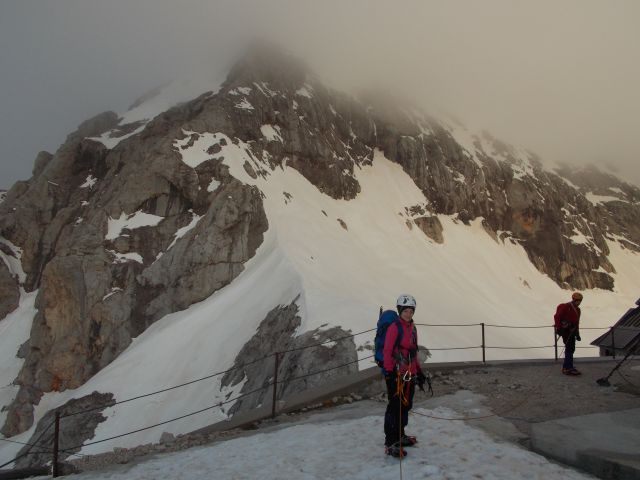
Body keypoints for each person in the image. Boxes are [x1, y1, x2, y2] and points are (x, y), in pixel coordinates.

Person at [382, 294, 426, 457]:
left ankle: (400, 436)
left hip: (409, 375)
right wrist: (389, 374)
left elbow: (413, 353)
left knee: (405, 406)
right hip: (396, 375)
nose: (409, 314)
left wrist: (418, 372)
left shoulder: (412, 328)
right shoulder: (395, 328)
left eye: (411, 310)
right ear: (399, 310)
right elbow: (387, 351)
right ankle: (390, 443)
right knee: (394, 408)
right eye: (406, 310)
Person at [554, 292, 583, 375]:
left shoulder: (577, 309)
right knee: (569, 348)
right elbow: (557, 317)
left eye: (580, 300)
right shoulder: (566, 307)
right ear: (574, 299)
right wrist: (559, 328)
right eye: (578, 300)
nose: (579, 302)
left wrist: (577, 334)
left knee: (571, 348)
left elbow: (577, 322)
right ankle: (567, 367)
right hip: (566, 331)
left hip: (571, 331)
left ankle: (568, 366)